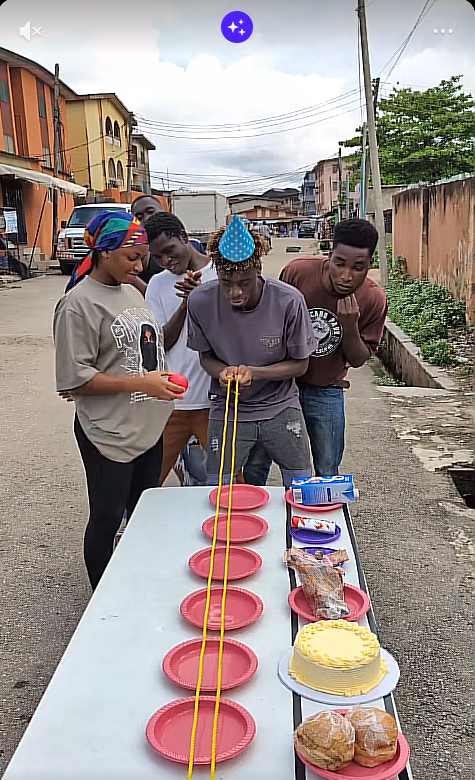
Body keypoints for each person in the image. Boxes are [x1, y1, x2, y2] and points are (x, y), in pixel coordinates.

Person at [53, 211, 185, 589]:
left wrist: (159, 382)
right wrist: (141, 382)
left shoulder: (132, 289)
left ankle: (137, 583)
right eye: (132, 257)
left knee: (143, 513)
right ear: (103, 252)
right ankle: (103, 596)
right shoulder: (78, 305)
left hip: (147, 426)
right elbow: (74, 380)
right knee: (108, 517)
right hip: (109, 433)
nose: (140, 265)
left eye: (144, 257)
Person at [248, 218, 387, 483]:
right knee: (256, 462)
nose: (346, 275)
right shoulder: (298, 272)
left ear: (370, 265)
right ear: (329, 254)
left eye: (358, 268)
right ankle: (253, 517)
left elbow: (359, 359)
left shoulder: (373, 298)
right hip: (278, 385)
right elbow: (270, 322)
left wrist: (349, 326)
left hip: (325, 389)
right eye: (339, 264)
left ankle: (320, 518)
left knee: (326, 469)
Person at [187, 214, 315, 488]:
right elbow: (205, 357)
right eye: (225, 282)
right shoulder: (200, 301)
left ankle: (295, 531)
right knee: (219, 489)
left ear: (258, 271)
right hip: (228, 408)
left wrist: (253, 373)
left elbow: (300, 364)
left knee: (300, 484)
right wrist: (223, 372)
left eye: (244, 282)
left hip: (281, 407)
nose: (234, 292)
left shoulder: (289, 301)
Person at [144, 212, 216, 485]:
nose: (166, 261)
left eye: (170, 251)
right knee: (149, 480)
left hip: (214, 403)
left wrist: (200, 299)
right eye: (158, 257)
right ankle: (133, 527)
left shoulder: (221, 275)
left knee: (232, 480)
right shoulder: (158, 283)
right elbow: (159, 341)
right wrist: (187, 304)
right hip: (173, 402)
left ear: (184, 238)